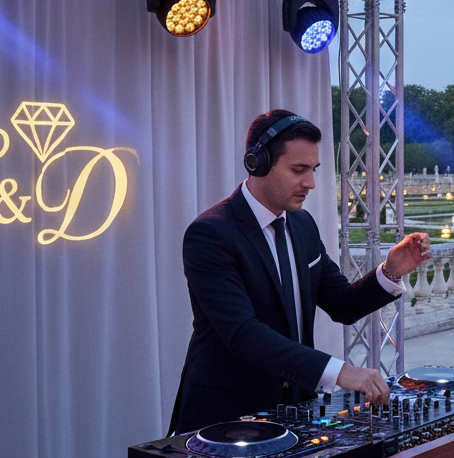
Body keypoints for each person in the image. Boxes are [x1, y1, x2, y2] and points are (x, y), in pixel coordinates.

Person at [171, 109, 431, 433]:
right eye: (298, 170)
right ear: (258, 163)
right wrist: (339, 372)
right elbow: (242, 333)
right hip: (226, 417)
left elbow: (341, 303)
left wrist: (390, 272)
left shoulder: (302, 224)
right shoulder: (211, 234)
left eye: (313, 170)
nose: (310, 183)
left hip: (294, 410)